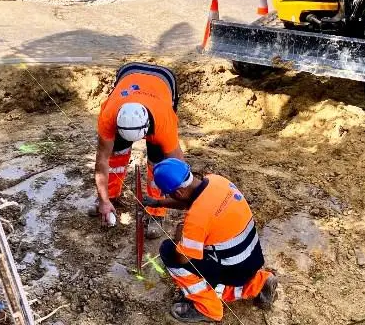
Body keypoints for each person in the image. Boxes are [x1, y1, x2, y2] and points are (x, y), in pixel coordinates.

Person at [150, 158, 278, 323]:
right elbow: (190, 201)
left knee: (168, 251)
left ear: (178, 193)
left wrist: (179, 234)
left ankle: (208, 308)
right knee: (213, 249)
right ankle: (261, 282)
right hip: (253, 259)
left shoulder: (196, 218)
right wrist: (158, 203)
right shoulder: (217, 181)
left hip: (234, 271)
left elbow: (182, 258)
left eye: (169, 194)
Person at [92, 62, 183, 238]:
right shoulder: (108, 115)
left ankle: (156, 213)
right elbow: (101, 161)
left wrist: (188, 199)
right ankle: (109, 198)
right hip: (129, 72)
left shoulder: (164, 122)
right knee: (116, 153)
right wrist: (103, 199)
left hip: (164, 79)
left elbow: (178, 164)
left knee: (160, 162)